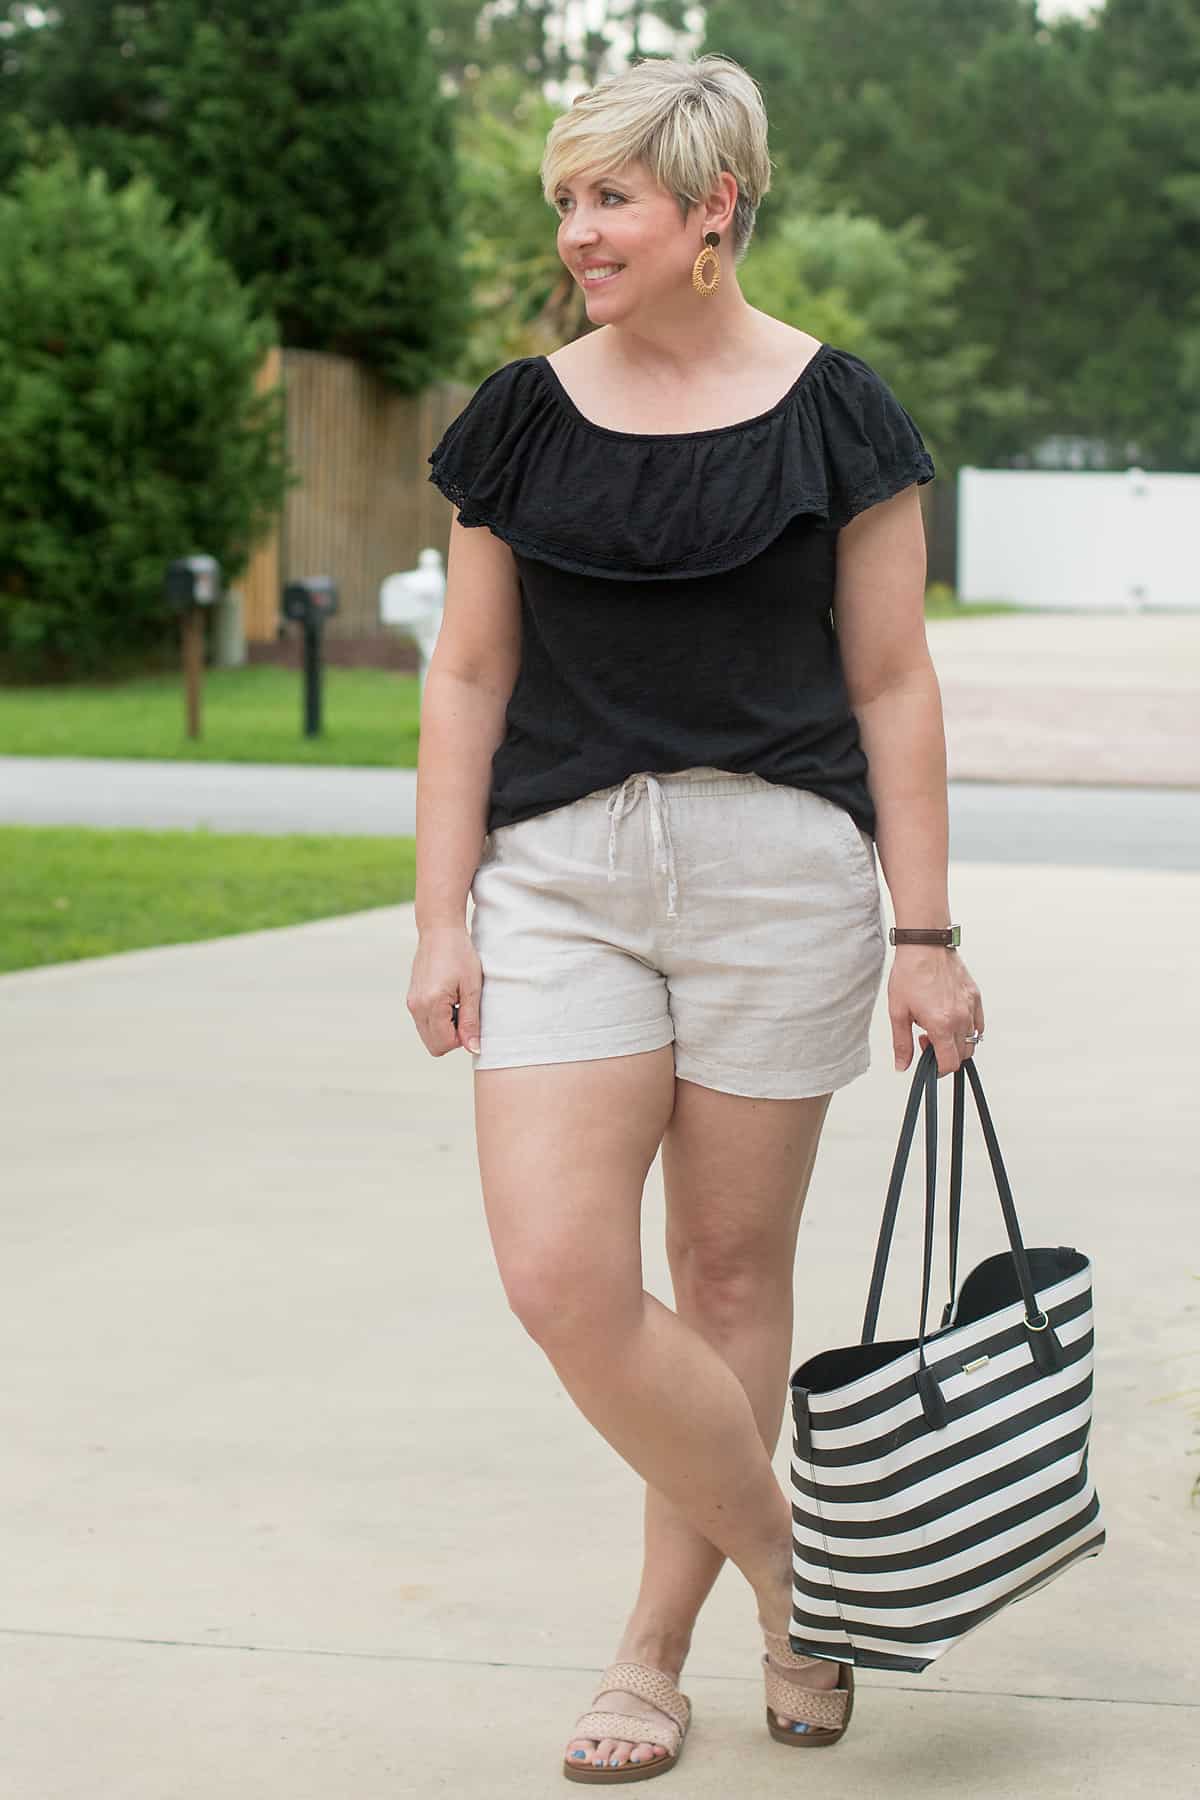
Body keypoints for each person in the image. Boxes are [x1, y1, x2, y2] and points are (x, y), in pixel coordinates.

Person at [407, 51, 984, 1785]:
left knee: (730, 1276)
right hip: (563, 881)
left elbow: (893, 682)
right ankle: (801, 1586)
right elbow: (468, 675)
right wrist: (443, 918)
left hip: (783, 883)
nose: (578, 232)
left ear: (713, 211)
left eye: (613, 201)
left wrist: (929, 933)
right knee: (563, 1275)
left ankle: (653, 1653)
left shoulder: (842, 415)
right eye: (567, 201)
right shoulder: (518, 418)